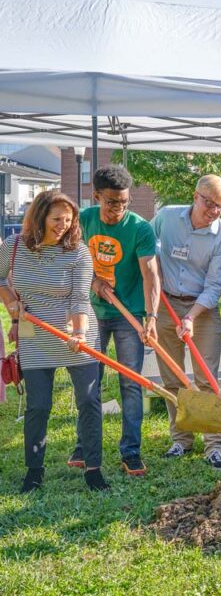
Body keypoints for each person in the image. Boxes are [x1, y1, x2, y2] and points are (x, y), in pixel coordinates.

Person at [0, 191, 107, 492]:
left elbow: (79, 299)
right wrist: (13, 308)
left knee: (88, 400)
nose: (62, 225)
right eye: (56, 218)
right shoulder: (15, 246)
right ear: (40, 217)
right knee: (39, 405)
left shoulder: (78, 253)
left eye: (68, 220)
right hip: (35, 336)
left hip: (76, 333)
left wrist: (80, 334)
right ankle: (34, 472)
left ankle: (93, 469)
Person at [77, 165, 160, 477]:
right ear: (96, 196)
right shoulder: (83, 220)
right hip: (92, 312)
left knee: (131, 383)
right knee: (88, 381)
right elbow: (73, 262)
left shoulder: (140, 228)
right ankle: (83, 445)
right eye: (112, 202)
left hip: (129, 315)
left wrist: (151, 317)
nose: (119, 209)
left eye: (124, 202)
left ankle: (131, 452)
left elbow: (151, 274)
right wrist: (93, 281)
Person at [152, 174, 221, 468]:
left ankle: (214, 445)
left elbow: (215, 286)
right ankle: (181, 440)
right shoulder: (166, 217)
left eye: (220, 207)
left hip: (202, 309)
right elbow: (148, 250)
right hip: (165, 304)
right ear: (195, 195)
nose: (213, 211)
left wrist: (190, 316)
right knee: (172, 378)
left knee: (207, 378)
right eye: (209, 203)